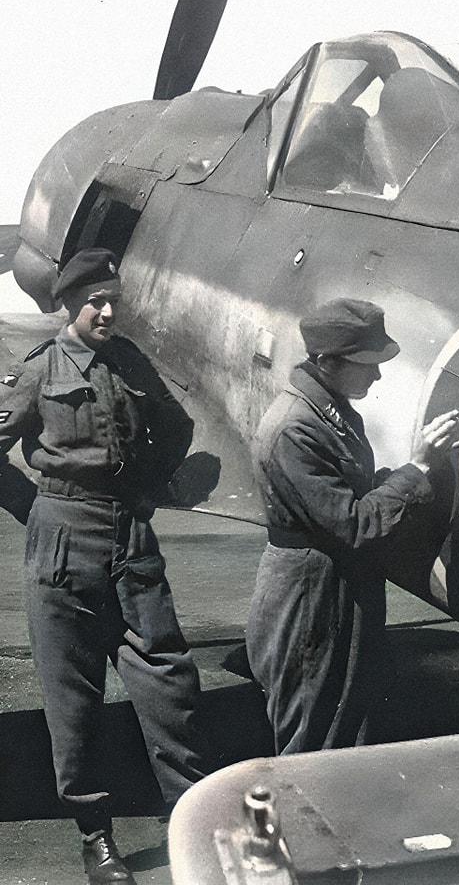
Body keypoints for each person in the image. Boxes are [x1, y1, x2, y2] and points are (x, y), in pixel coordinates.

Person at [0, 249, 205, 884]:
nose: (109, 311)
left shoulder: (131, 360)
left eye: (114, 298)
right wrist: (34, 508)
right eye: (96, 301)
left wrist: (145, 488)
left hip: (130, 536)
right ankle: (97, 838)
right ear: (68, 304)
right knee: (74, 697)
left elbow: (176, 426)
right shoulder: (39, 370)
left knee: (168, 682)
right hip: (61, 540)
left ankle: (193, 817)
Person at [246, 297, 459, 754]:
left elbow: (349, 498)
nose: (377, 375)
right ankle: (294, 827)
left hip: (336, 582)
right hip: (310, 594)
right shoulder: (295, 429)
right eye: (367, 364)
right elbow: (354, 523)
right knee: (311, 739)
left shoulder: (330, 410)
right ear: (326, 362)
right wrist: (416, 469)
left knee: (346, 727)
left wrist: (414, 472)